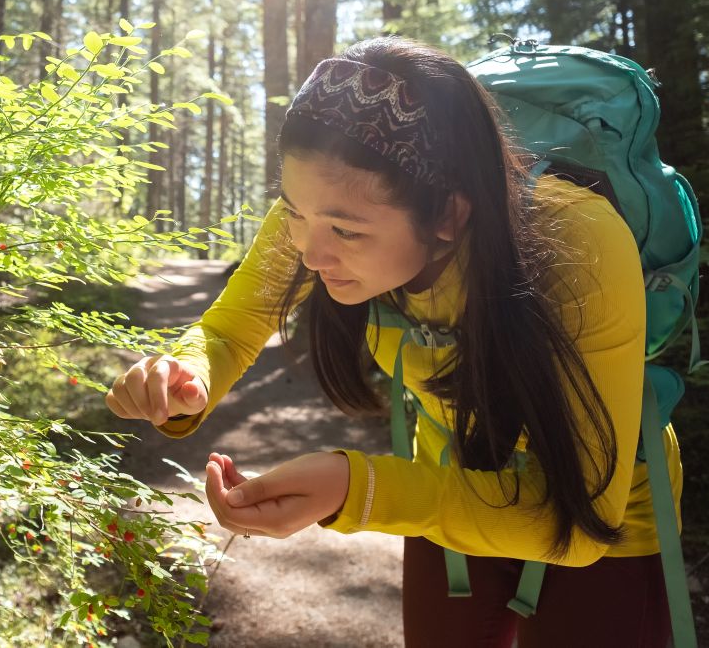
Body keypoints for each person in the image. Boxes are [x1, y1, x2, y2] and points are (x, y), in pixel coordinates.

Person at [104, 36, 679, 647]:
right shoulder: (322, 206)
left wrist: (359, 489)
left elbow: (579, 524)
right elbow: (229, 328)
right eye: (293, 214)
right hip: (451, 480)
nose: (309, 250)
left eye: (346, 233)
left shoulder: (579, 236)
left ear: (449, 215)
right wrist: (188, 376)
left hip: (598, 514)